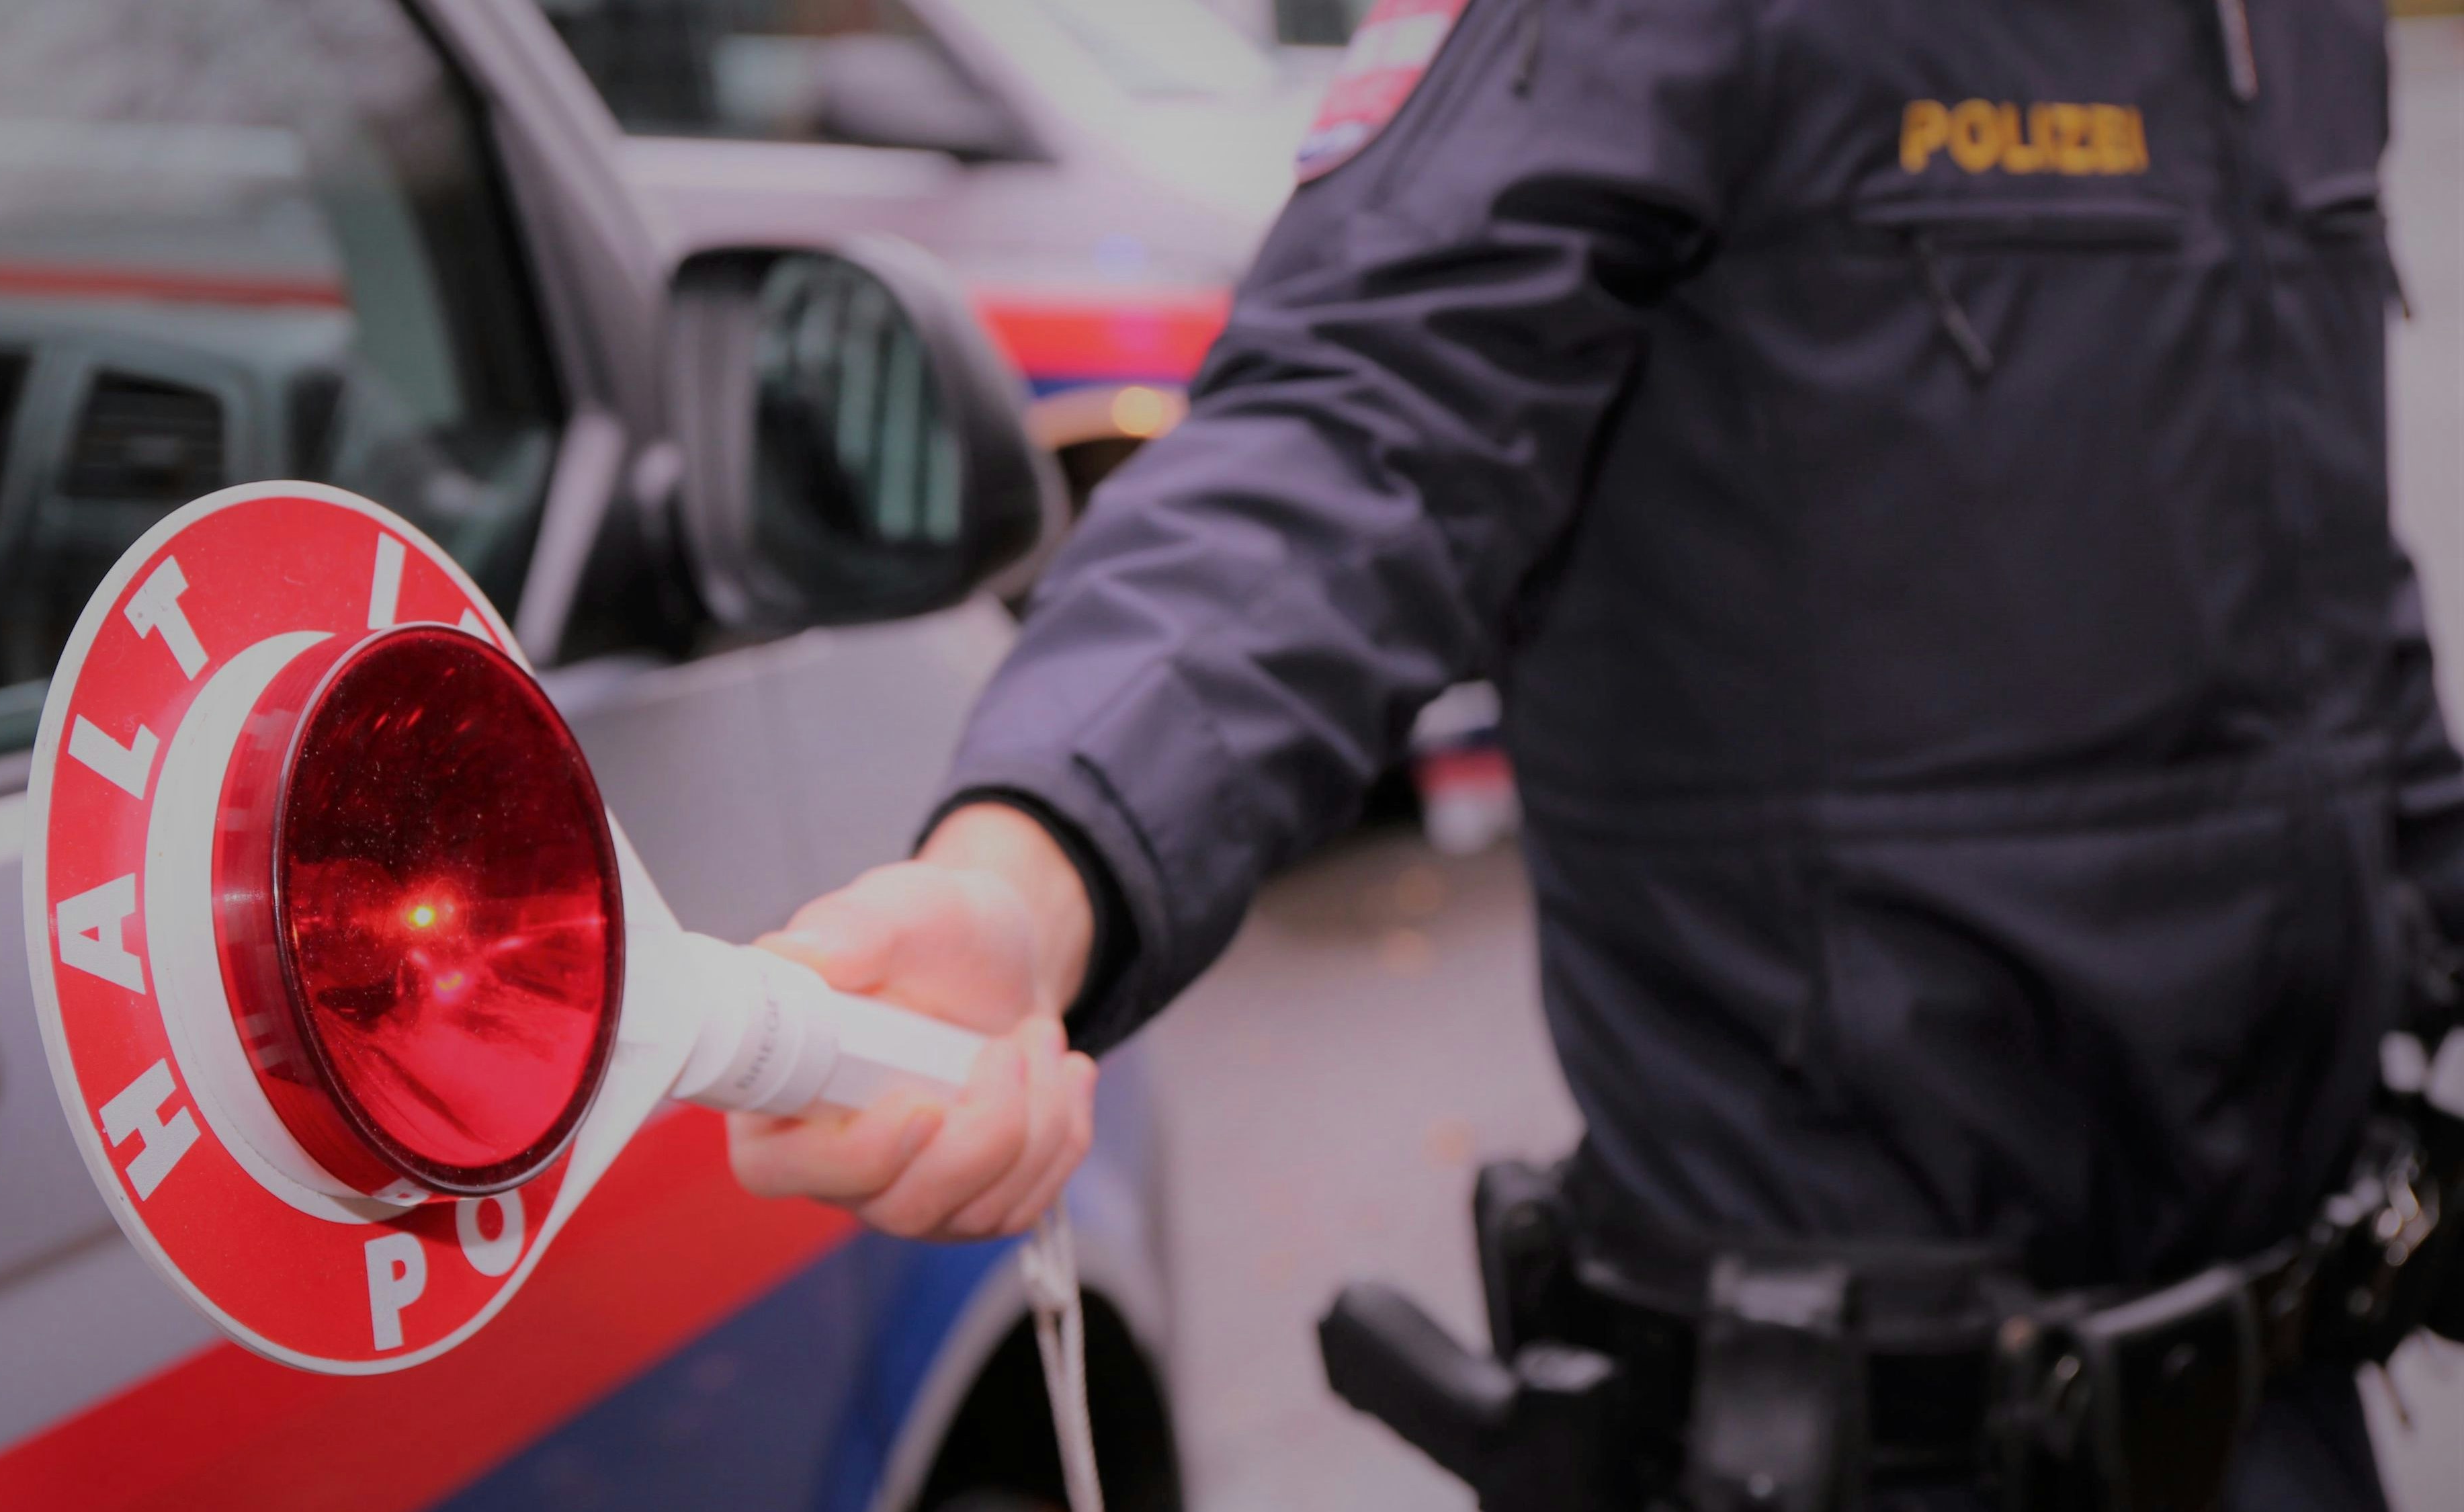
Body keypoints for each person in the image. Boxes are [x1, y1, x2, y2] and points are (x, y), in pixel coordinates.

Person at [728, 1, 2455, 1505]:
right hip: (1855, 1430)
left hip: (2286, 1397)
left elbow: (2321, 596)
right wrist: (1039, 862)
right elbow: (1358, 424)